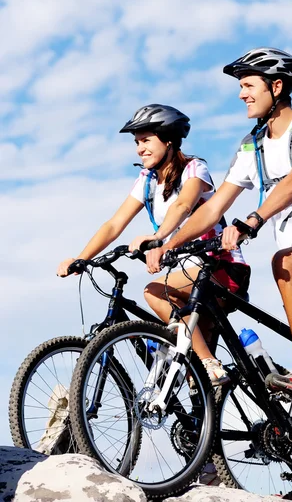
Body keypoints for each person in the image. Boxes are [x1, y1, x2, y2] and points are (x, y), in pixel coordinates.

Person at [146, 48, 292, 406]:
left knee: (285, 263)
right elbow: (213, 208)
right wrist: (169, 242)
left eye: (248, 85)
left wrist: (251, 220)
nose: (242, 94)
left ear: (277, 86)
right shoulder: (250, 145)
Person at [57, 103, 250, 386]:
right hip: (187, 274)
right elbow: (114, 224)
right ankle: (203, 387)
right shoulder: (147, 181)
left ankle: (208, 363)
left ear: (168, 140)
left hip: (220, 266)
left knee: (154, 291)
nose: (139, 149)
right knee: (199, 390)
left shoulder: (194, 169)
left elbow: (184, 205)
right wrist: (81, 258)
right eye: (137, 142)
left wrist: (160, 240)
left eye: (146, 140)